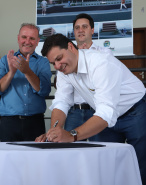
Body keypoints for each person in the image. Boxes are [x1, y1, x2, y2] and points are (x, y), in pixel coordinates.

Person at [36, 33, 146, 185]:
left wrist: (71, 135)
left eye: (59, 58)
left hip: (135, 112)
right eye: (53, 63)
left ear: (70, 47)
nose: (57, 66)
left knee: (140, 166)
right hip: (104, 119)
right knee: (104, 166)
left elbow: (106, 111)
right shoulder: (64, 71)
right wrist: (54, 132)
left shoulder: (101, 63)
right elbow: (61, 102)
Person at [0, 23, 52, 142]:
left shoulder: (43, 62)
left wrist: (27, 71)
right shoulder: (5, 61)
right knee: (9, 159)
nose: (27, 41)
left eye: (32, 38)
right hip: (9, 123)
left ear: (37, 41)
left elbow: (44, 90)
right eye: (24, 37)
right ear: (18, 38)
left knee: (35, 159)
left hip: (35, 122)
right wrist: (11, 73)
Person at [64, 13, 115, 141]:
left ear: (92, 30)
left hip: (97, 111)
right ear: (74, 32)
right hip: (74, 112)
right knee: (69, 152)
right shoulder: (66, 55)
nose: (80, 30)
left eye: (84, 27)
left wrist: (87, 55)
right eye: (77, 28)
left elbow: (108, 80)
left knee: (99, 152)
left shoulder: (105, 53)